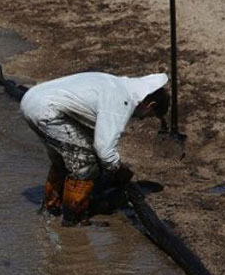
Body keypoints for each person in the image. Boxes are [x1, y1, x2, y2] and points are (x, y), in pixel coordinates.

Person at [19, 71, 169, 226]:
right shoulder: (121, 101)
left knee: (63, 158)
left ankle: (50, 208)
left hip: (32, 100)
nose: (142, 118)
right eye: (148, 115)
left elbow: (92, 133)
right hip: (47, 111)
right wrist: (118, 169)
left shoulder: (116, 84)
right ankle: (73, 219)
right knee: (85, 163)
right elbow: (104, 150)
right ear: (150, 105)